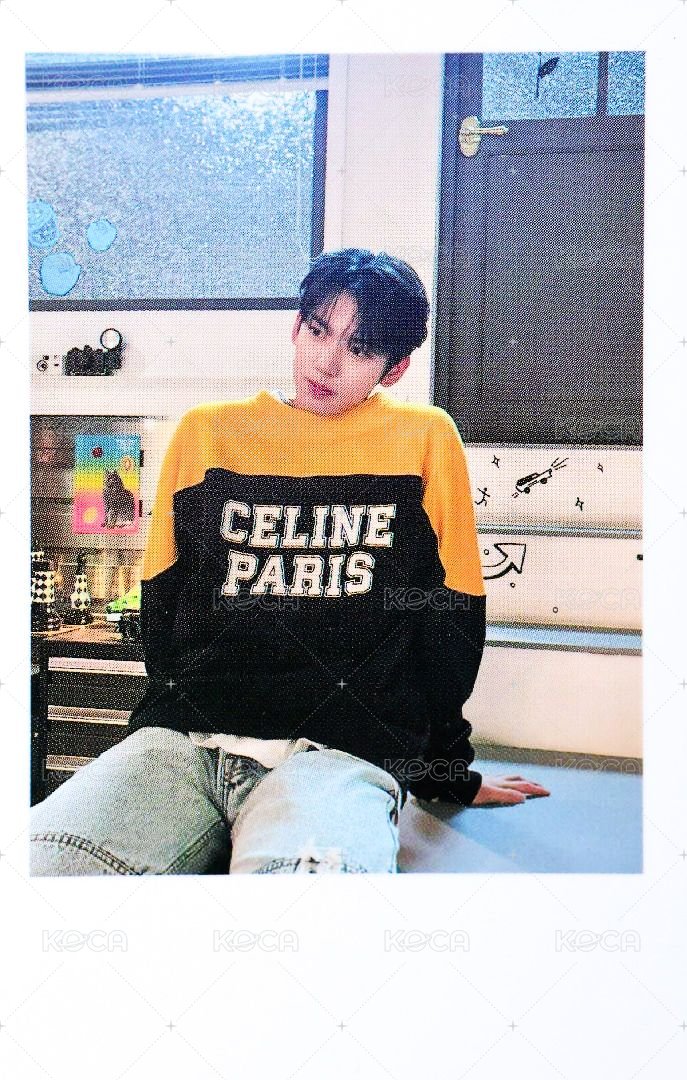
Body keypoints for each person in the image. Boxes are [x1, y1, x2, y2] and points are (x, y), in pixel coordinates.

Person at [30, 248, 548, 876]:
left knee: (303, 906)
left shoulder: (425, 441)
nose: (327, 362)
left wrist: (445, 773)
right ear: (297, 326)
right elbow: (164, 611)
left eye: (359, 349)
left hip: (340, 754)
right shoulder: (206, 435)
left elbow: (451, 627)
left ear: (395, 368)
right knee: (41, 872)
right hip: (182, 743)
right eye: (319, 330)